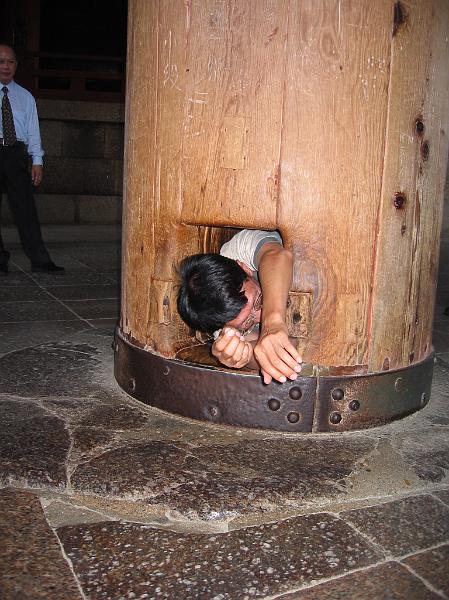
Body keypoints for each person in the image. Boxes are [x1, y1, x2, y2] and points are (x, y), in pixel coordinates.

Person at [177, 229, 302, 384]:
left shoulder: (239, 249)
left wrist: (272, 323)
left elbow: (277, 256)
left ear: (244, 268)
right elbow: (291, 347)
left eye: (258, 301)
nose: (260, 316)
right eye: (247, 322)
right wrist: (244, 355)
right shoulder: (223, 327)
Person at [0, 44, 63, 275]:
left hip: (15, 153)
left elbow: (33, 131)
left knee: (25, 208)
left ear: (16, 65)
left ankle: (40, 260)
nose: (6, 66)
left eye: (10, 62)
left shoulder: (25, 97)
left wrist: (37, 160)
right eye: (1, 62)